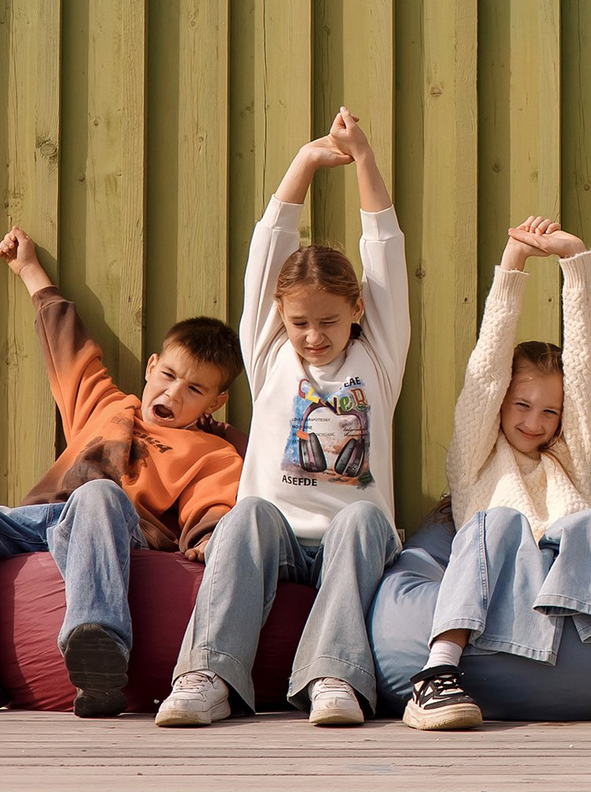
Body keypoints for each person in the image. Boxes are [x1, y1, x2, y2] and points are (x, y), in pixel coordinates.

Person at [0, 229, 243, 717]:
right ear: (152, 366)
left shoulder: (213, 451)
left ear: (216, 400)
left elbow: (215, 503)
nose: (174, 394)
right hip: (43, 521)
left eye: (195, 389)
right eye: (169, 376)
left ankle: (99, 655)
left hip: (121, 528)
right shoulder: (107, 407)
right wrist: (30, 271)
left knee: (99, 493)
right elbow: (69, 349)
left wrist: (208, 538)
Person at [157, 109, 407, 729]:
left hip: (352, 537)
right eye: (300, 323)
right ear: (280, 319)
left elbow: (384, 249)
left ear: (356, 310)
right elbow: (269, 246)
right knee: (246, 514)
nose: (314, 336)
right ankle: (207, 674)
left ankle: (334, 678)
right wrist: (305, 163)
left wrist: (366, 160)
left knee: (360, 519)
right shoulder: (269, 352)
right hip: (281, 539)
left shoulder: (379, 354)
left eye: (328, 321)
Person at [401, 217, 591, 732]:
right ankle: (437, 676)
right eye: (522, 405)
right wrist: (513, 261)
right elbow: (486, 367)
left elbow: (588, 370)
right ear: (501, 401)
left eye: (551, 411)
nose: (534, 422)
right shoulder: (475, 455)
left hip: (578, 580)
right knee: (492, 521)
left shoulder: (574, 457)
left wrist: (576, 261)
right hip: (499, 576)